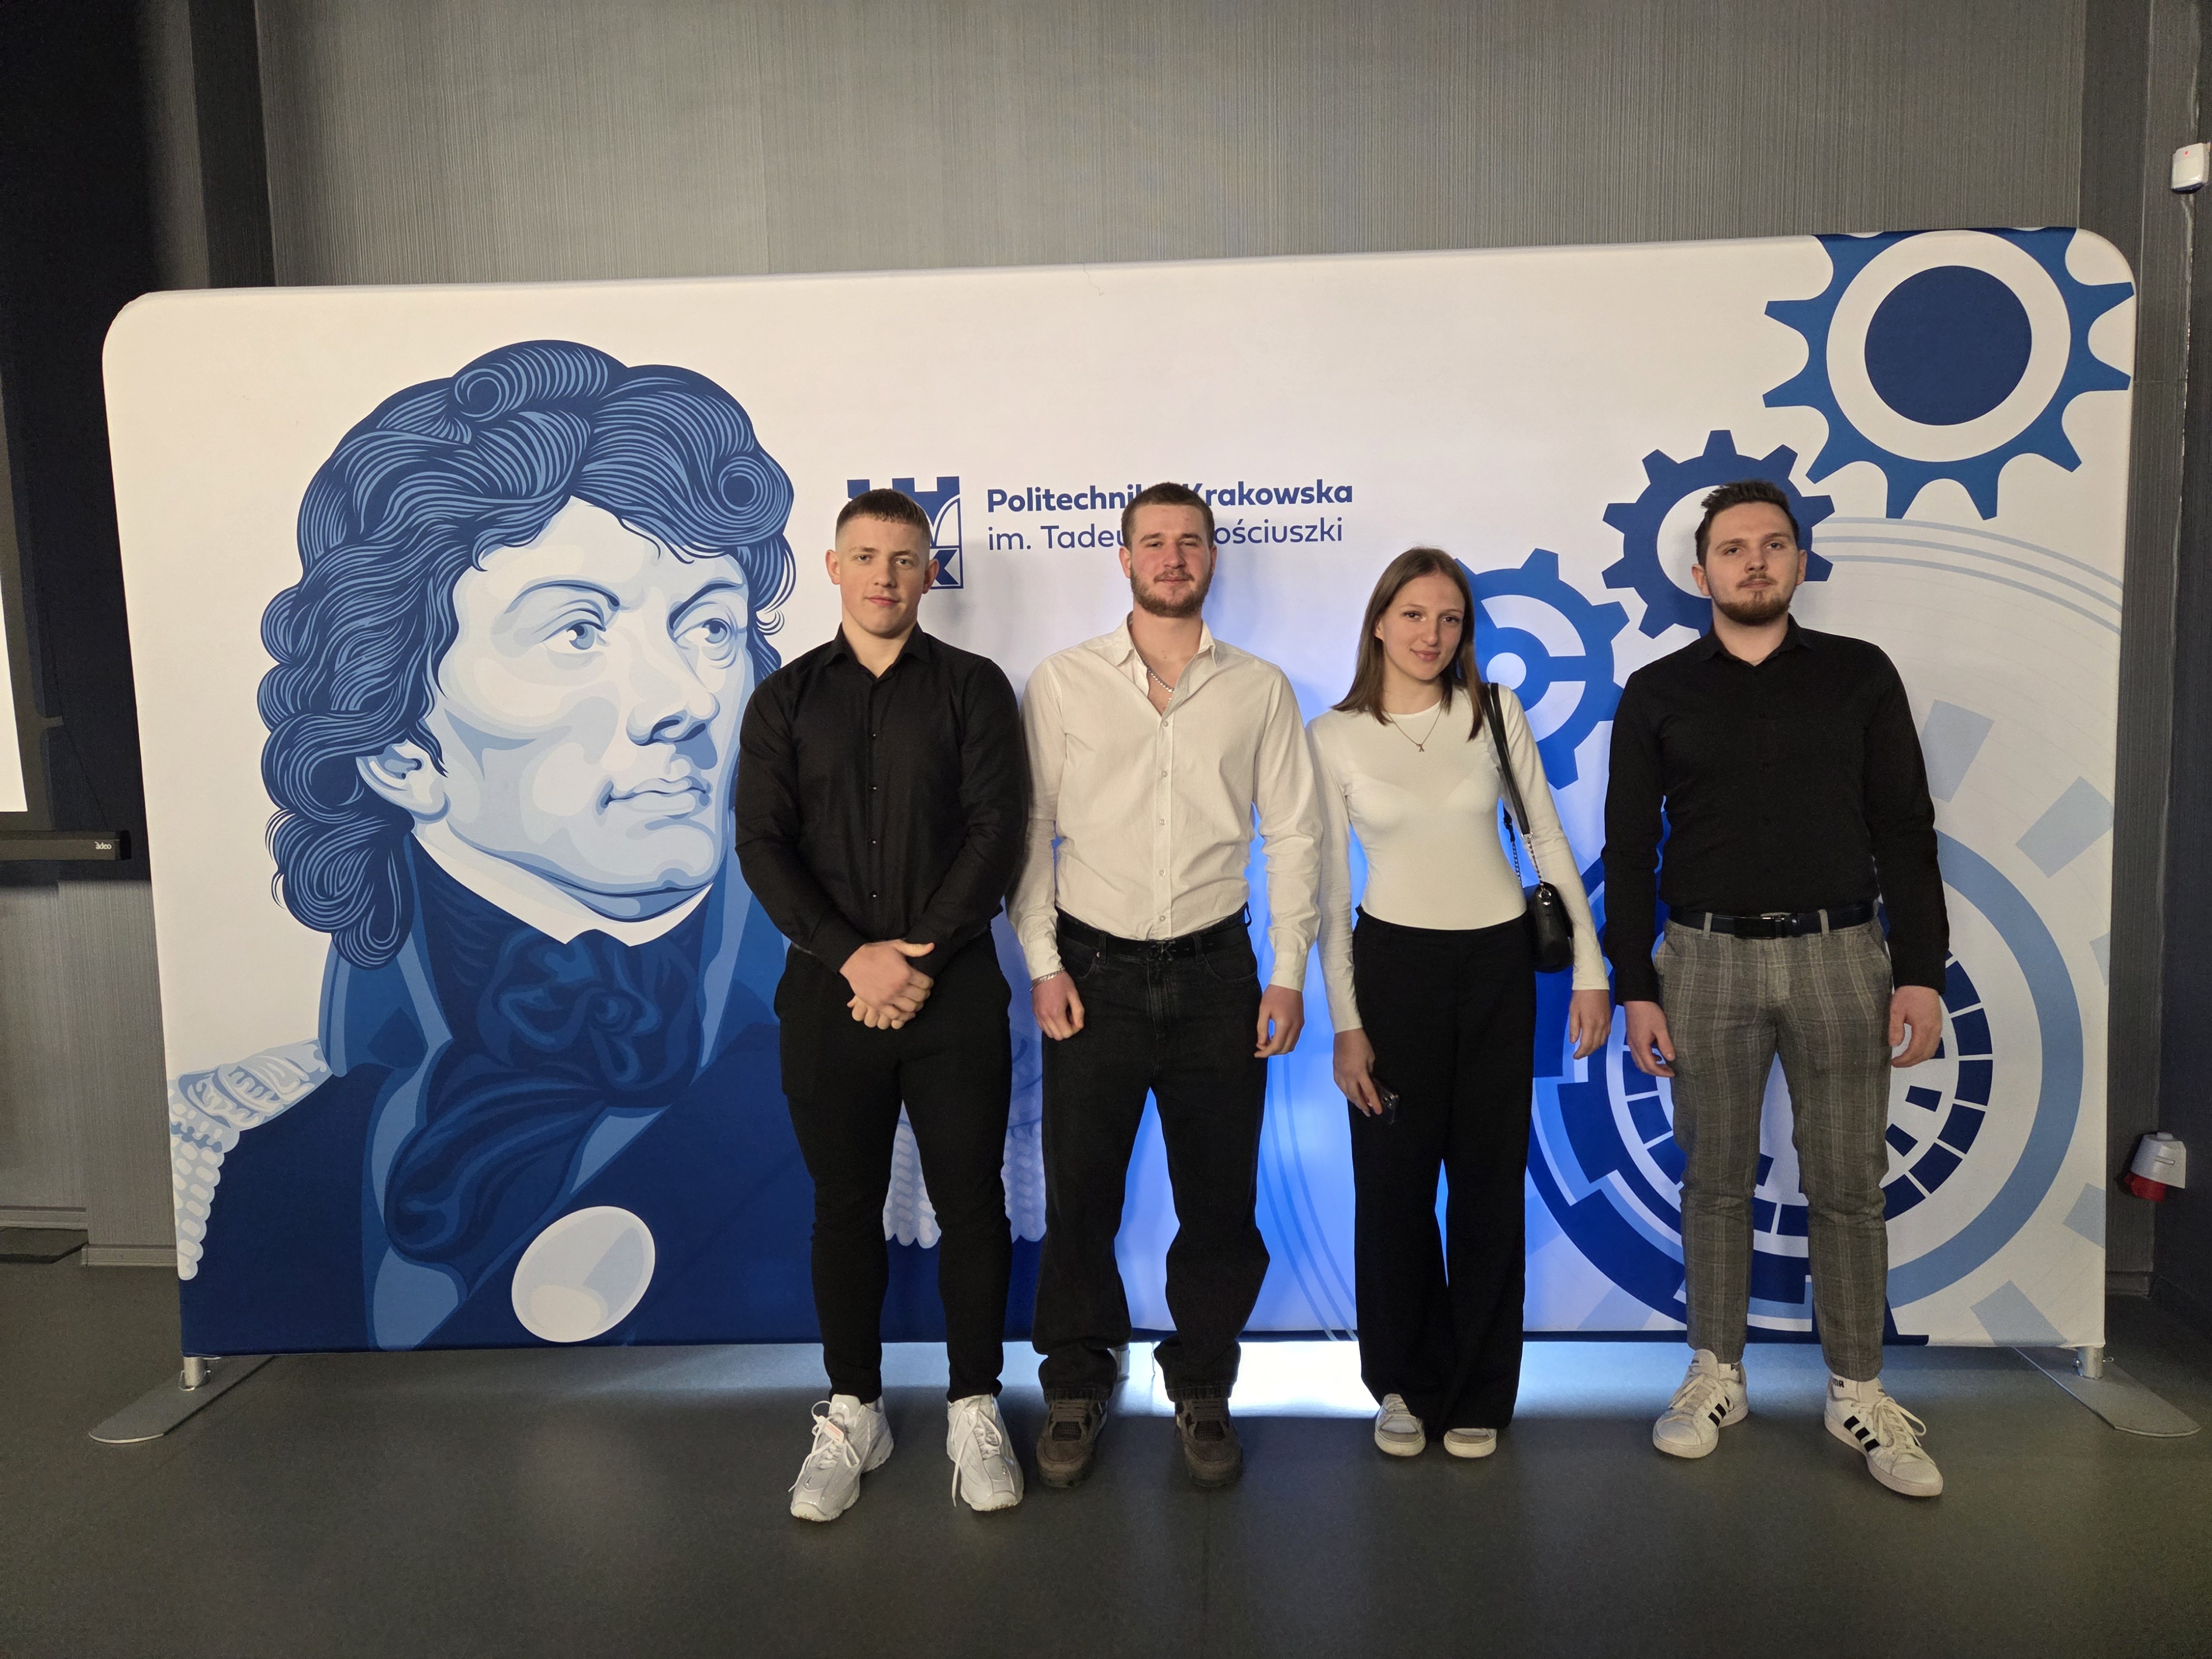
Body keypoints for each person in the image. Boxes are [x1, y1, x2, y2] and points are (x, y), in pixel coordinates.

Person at [175, 339, 813, 1357]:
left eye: (709, 628)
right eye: (578, 632)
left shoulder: (899, 1100)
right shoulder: (229, 1144)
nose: (685, 701)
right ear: (399, 749)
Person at [1603, 478, 1949, 1499]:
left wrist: (1920, 973)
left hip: (1842, 955)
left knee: (1846, 1184)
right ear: (1700, 571)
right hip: (1702, 960)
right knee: (1714, 1180)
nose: (1753, 562)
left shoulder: (1860, 675)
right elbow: (1628, 849)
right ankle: (1717, 1372)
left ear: (1799, 561)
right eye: (1733, 548)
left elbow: (1905, 829)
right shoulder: (1658, 691)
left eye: (1772, 545)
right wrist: (1636, 986)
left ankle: (1858, 1389)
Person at [1012, 481, 1321, 1490]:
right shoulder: (1062, 682)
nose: (1173, 557)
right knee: (1080, 1202)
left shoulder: (1259, 688)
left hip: (1219, 974)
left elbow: (1295, 836)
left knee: (1220, 1206)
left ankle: (1203, 1383)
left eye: (1190, 541)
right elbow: (1032, 832)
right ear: (1125, 557)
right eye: (1154, 541)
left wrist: (1287, 975)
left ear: (1213, 557)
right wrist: (1045, 963)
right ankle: (1077, 1379)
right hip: (1091, 974)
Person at [735, 488, 1028, 1522]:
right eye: (866, 557)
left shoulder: (975, 688)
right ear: (833, 567)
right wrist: (853, 958)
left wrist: (915, 961)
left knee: (973, 1206)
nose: (885, 577)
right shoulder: (783, 700)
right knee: (845, 1210)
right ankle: (855, 1410)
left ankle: (975, 1406)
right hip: (829, 998)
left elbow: (997, 833)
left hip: (955, 996)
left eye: (905, 559)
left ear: (929, 572)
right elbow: (761, 845)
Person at [1310, 549, 1610, 1460]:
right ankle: (1402, 1385)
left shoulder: (1494, 710)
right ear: (1378, 622)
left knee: (1487, 1187)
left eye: (1449, 619)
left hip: (1498, 970)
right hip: (1391, 971)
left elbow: (1545, 837)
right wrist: (1347, 1025)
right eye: (1413, 615)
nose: (1432, 635)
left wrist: (1591, 970)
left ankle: (1480, 1389)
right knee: (1392, 1193)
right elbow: (1329, 893)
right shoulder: (1333, 736)